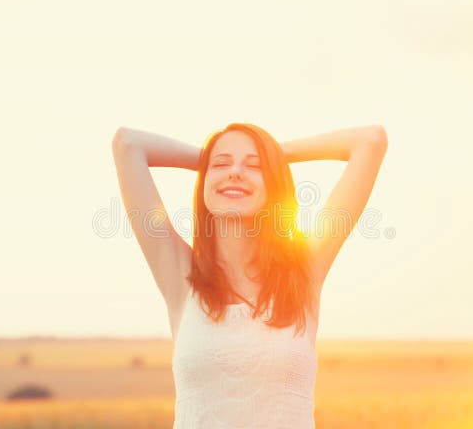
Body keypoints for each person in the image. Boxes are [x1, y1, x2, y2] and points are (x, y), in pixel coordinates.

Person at [112, 122, 388, 428]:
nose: (235, 172)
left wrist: (274, 154)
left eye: (254, 166)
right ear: (203, 182)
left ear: (273, 182)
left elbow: (370, 141)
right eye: (221, 164)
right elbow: (128, 144)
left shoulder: (303, 272)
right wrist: (210, 160)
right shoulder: (180, 276)